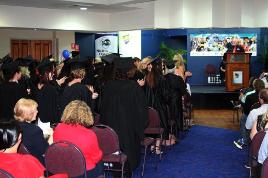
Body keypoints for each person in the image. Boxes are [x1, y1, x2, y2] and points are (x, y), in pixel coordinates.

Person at [100, 60, 148, 177]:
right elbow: (141, 111)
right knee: (129, 158)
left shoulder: (108, 86)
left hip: (111, 128)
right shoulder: (134, 87)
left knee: (114, 154)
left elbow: (102, 108)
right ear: (130, 72)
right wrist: (140, 126)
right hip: (128, 129)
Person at [53, 100, 103, 178]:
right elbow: (96, 157)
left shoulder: (58, 128)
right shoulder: (89, 134)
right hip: (82, 172)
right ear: (87, 115)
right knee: (100, 163)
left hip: (62, 168)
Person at [14, 98, 51, 165]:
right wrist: (51, 135)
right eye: (35, 110)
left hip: (19, 161)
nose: (37, 112)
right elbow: (46, 150)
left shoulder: (12, 126)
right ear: (28, 114)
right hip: (35, 163)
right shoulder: (34, 130)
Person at [0, 55, 28, 121]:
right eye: (20, 71)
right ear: (16, 73)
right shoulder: (20, 88)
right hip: (16, 123)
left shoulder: (1, 87)